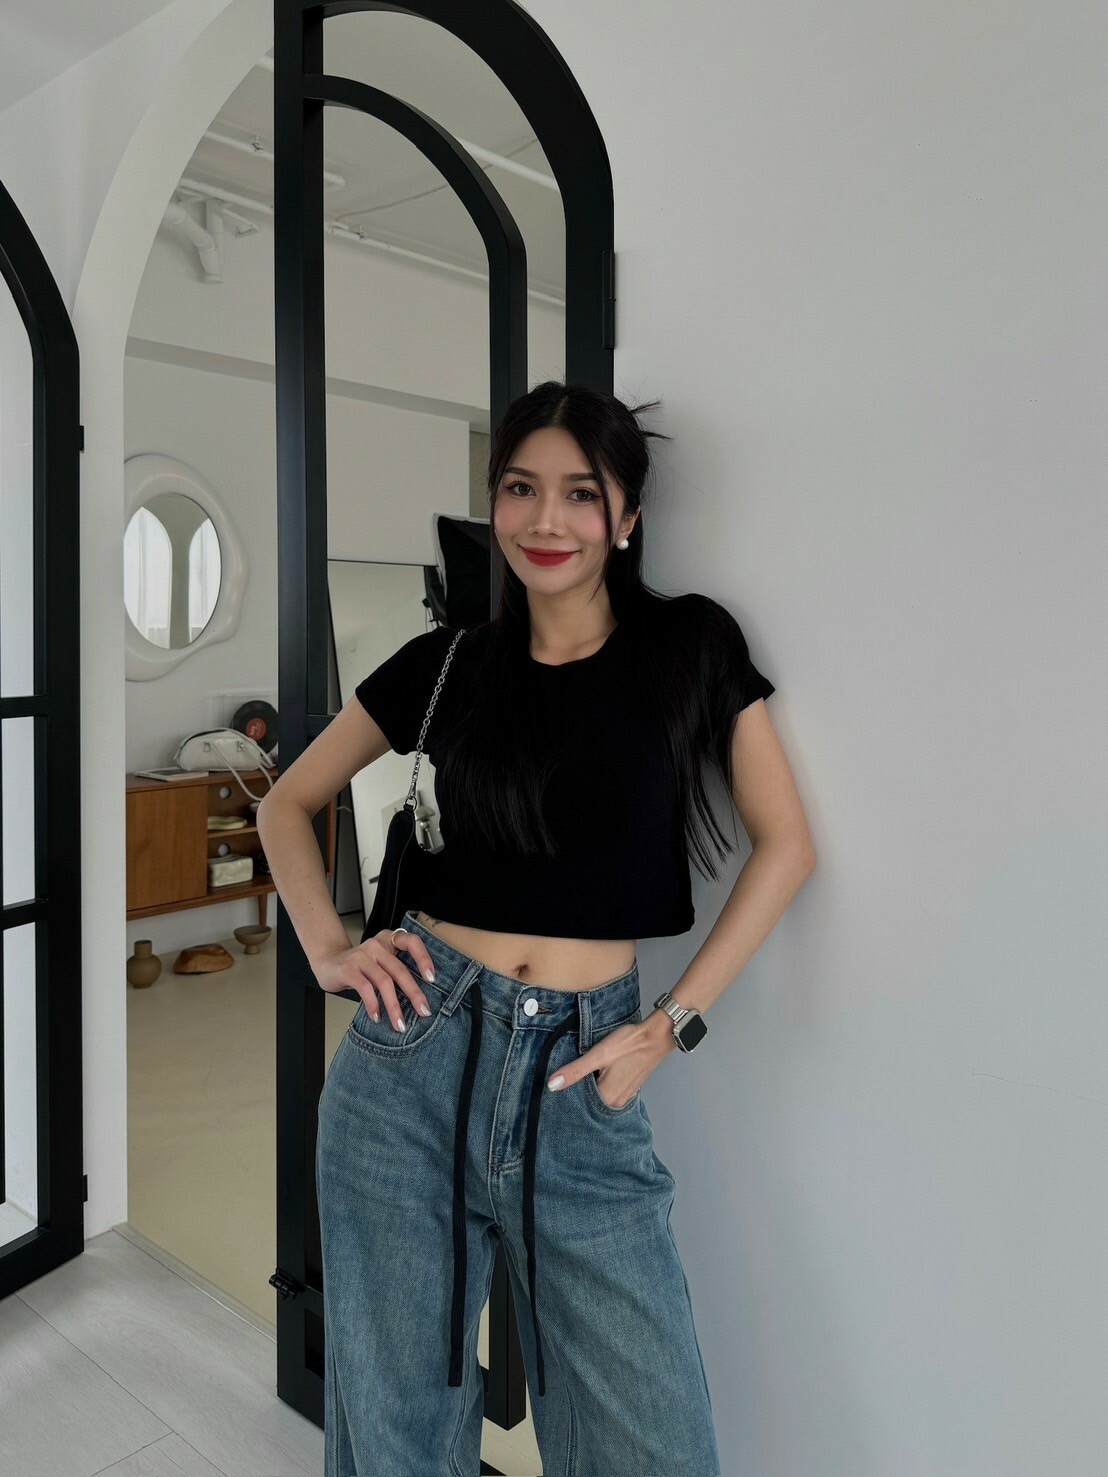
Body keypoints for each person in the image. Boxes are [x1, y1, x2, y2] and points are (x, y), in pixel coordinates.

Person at [258, 380, 816, 1477]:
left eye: (580, 492)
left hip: (582, 1077)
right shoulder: (445, 664)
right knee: (394, 1432)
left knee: (651, 1443)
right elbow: (288, 802)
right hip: (407, 1064)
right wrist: (329, 949)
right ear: (494, 503)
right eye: (520, 488)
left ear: (627, 516)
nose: (545, 519)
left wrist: (670, 1025)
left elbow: (786, 844)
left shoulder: (689, 647)